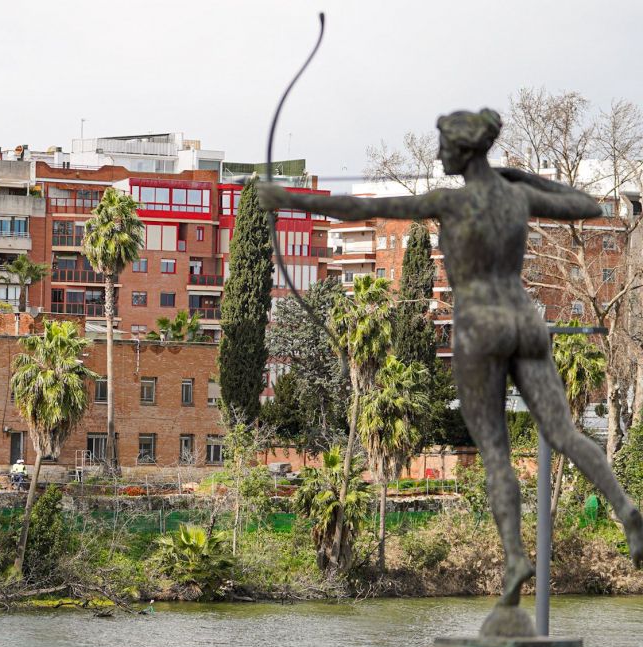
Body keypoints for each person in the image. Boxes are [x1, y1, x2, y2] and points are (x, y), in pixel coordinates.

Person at [257, 108, 643, 609]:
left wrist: (287, 198)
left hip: (480, 326)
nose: (439, 153)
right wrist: (519, 175)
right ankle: (626, 507)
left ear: (463, 150)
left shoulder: (450, 202)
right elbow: (587, 203)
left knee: (496, 453)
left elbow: (356, 207)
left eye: (443, 144)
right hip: (524, 318)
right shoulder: (517, 195)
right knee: (564, 432)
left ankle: (515, 558)